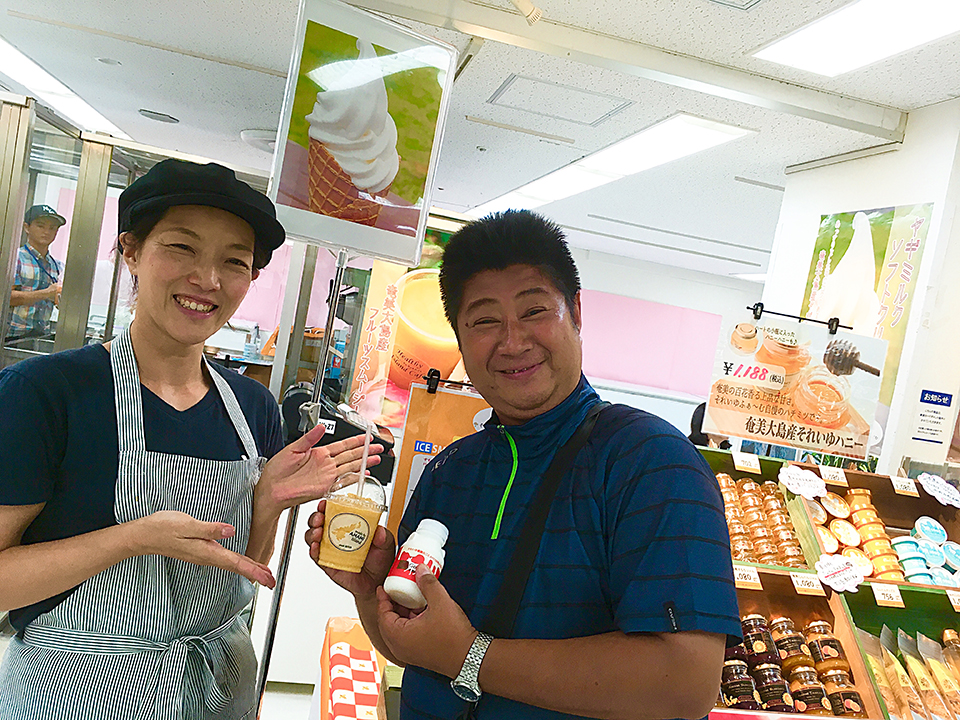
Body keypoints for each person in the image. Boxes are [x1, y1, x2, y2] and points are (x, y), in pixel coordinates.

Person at [306, 210, 740, 719]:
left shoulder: (649, 460)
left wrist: (469, 654)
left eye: (535, 311)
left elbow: (685, 684)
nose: (512, 342)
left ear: (576, 313)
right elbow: (411, 647)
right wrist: (369, 586)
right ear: (461, 339)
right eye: (485, 320)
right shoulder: (451, 470)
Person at [0, 159, 382, 719]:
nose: (208, 280)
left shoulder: (251, 409)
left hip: (215, 688)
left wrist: (267, 503)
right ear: (131, 251)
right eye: (181, 248)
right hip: (78, 691)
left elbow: (243, 569)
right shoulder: (46, 395)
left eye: (235, 262)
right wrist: (129, 539)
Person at [6, 205, 66, 341]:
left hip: (40, 338)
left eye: (52, 228)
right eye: (41, 226)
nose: (47, 232)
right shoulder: (14, 258)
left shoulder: (57, 266)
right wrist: (47, 293)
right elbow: (5, 297)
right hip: (10, 339)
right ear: (27, 228)